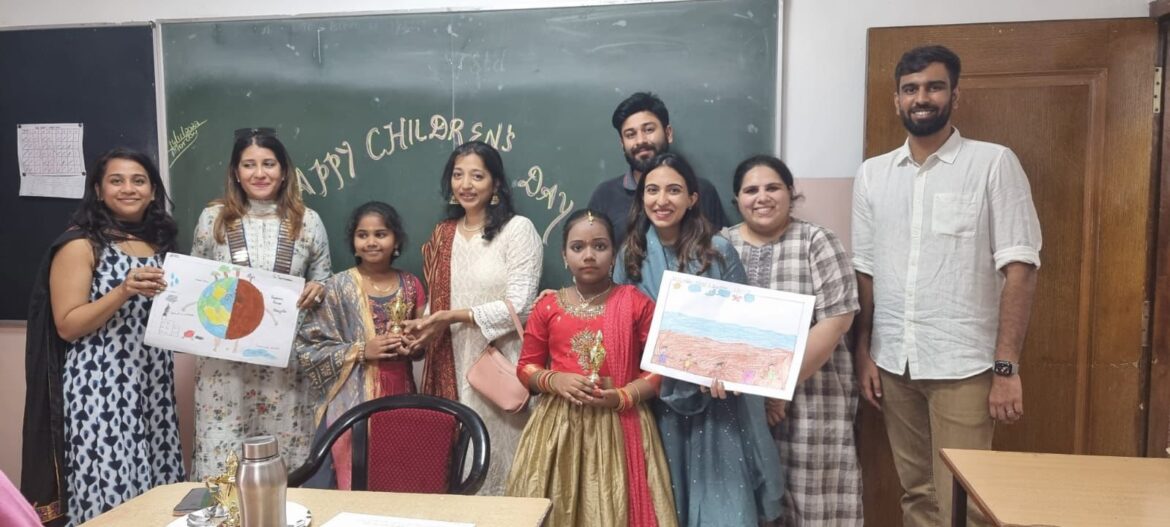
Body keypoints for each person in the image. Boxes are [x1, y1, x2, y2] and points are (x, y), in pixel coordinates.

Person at [852, 45, 1042, 527]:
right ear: (896, 99)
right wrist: (865, 351)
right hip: (895, 362)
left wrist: (1006, 367)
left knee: (969, 500)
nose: (922, 97)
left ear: (955, 94)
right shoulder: (873, 174)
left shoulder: (993, 164)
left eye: (934, 86)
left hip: (965, 365)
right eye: (911, 89)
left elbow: (1020, 267)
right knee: (916, 493)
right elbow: (866, 271)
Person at [612, 152, 783, 527]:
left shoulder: (718, 251)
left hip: (717, 404)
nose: (662, 200)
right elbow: (620, 333)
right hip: (658, 402)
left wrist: (729, 371)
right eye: (652, 190)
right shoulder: (631, 257)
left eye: (674, 190)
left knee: (724, 507)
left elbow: (746, 333)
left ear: (692, 198)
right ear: (642, 198)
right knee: (668, 503)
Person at [22, 148, 184, 526]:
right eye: (116, 180)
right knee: (112, 491)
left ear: (152, 190)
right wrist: (122, 290)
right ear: (97, 189)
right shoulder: (81, 244)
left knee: (159, 491)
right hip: (101, 388)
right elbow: (67, 323)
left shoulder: (159, 244)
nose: (128, 188)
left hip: (151, 383)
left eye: (139, 180)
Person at [506, 209, 677, 527]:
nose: (588, 255)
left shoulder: (636, 303)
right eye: (578, 247)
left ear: (614, 254)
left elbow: (659, 370)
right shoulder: (548, 306)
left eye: (599, 247)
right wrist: (555, 380)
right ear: (564, 255)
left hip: (620, 422)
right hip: (558, 428)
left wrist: (622, 396)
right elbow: (527, 368)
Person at [723, 155, 861, 525]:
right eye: (750, 190)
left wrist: (776, 387)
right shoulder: (721, 244)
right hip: (741, 406)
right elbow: (715, 329)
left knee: (811, 505)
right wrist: (758, 391)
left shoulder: (817, 241)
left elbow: (836, 321)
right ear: (737, 199)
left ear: (790, 193)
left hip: (812, 400)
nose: (762, 197)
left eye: (773, 187)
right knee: (750, 502)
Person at [190, 128, 333, 480]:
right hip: (224, 365)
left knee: (285, 457)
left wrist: (319, 288)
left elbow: (327, 280)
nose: (260, 173)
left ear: (284, 171)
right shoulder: (214, 219)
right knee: (223, 456)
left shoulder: (308, 220)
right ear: (236, 172)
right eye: (249, 165)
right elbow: (195, 281)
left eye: (269, 164)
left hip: (286, 363)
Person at [408, 140, 542, 495]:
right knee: (454, 471)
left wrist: (455, 315)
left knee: (502, 465)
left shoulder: (518, 230)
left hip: (498, 364)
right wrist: (421, 327)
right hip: (447, 361)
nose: (465, 184)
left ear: (496, 183)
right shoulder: (442, 235)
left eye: (477, 176)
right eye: (457, 175)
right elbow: (436, 302)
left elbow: (521, 305)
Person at [296, 201, 425, 490]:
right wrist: (362, 350)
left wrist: (413, 347)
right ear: (353, 244)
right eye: (362, 235)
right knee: (352, 478)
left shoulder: (411, 284)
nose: (371, 242)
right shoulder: (336, 287)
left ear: (396, 241)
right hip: (349, 401)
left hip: (400, 395)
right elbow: (308, 348)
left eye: (381, 234)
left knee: (395, 476)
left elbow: (421, 343)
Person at [588, 92, 730, 248]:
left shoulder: (702, 191)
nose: (640, 141)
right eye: (630, 134)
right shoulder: (605, 195)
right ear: (622, 144)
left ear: (668, 133)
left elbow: (719, 255)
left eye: (648, 130)